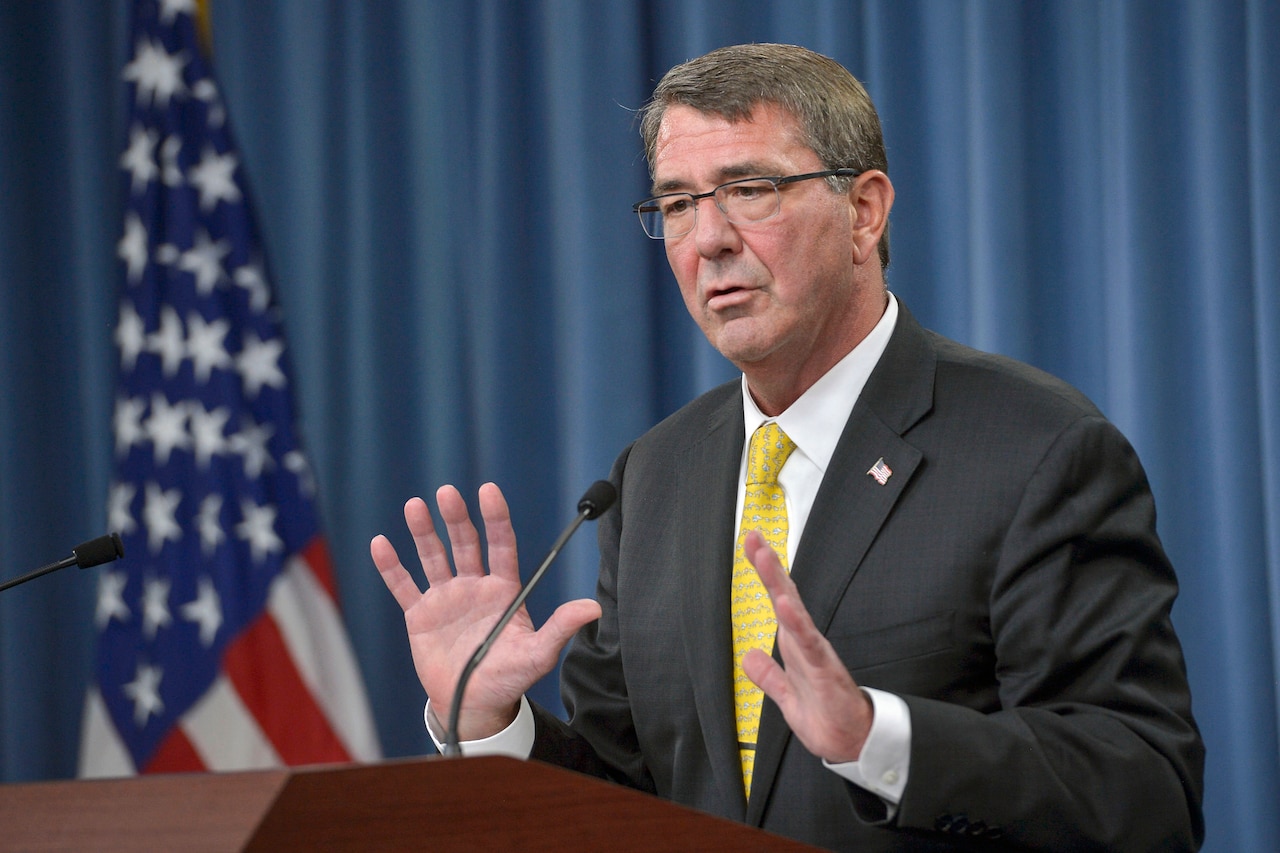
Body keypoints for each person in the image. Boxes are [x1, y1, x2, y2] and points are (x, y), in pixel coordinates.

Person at [371, 43, 1204, 851]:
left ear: (864, 211)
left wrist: (879, 739)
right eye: (677, 204)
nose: (708, 241)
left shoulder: (1035, 450)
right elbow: (625, 797)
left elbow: (1145, 792)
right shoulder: (653, 476)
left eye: (750, 189)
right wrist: (491, 722)